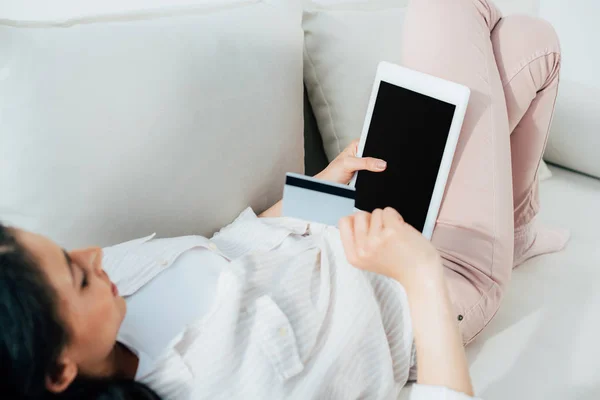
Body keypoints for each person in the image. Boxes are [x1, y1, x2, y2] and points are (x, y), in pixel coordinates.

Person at [0, 0, 568, 399]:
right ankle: (500, 245)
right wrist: (417, 272)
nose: (94, 254)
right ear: (58, 370)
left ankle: (513, 231)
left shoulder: (122, 278)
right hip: (432, 278)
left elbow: (230, 243)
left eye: (68, 251)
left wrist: (327, 182)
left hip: (374, 205)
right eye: (76, 276)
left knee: (526, 42)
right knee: (452, 11)